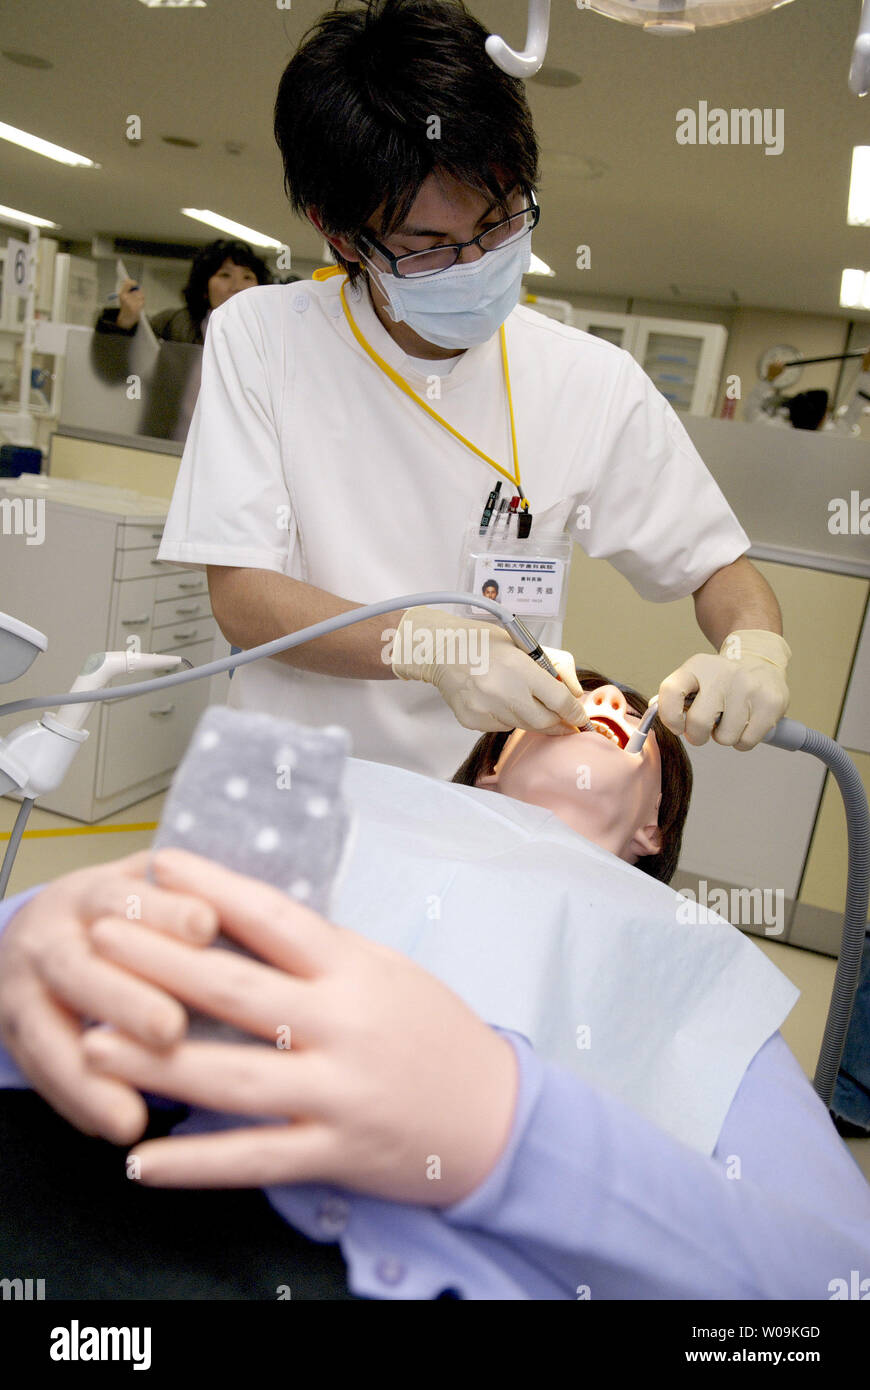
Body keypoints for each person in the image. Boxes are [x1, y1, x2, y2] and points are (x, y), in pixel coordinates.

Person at [0, 679, 868, 1300]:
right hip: (83, 1139)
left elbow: (839, 1276)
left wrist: (511, 1131)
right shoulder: (347, 804)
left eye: (632, 718)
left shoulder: (682, 956)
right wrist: (26, 931)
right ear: (491, 762)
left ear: (654, 828)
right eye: (574, 696)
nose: (609, 701)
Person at [155, 0, 792, 781]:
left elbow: (716, 569)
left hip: (482, 801)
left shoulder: (586, 381)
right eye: (428, 249)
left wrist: (753, 650)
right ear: (340, 233)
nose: (476, 263)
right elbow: (244, 598)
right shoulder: (264, 337)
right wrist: (436, 648)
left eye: (499, 224)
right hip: (287, 785)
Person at [95, 239, 273, 346]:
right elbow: (117, 367)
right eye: (225, 275)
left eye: (247, 277)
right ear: (204, 288)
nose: (237, 286)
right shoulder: (174, 324)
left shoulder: (271, 332)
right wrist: (124, 323)